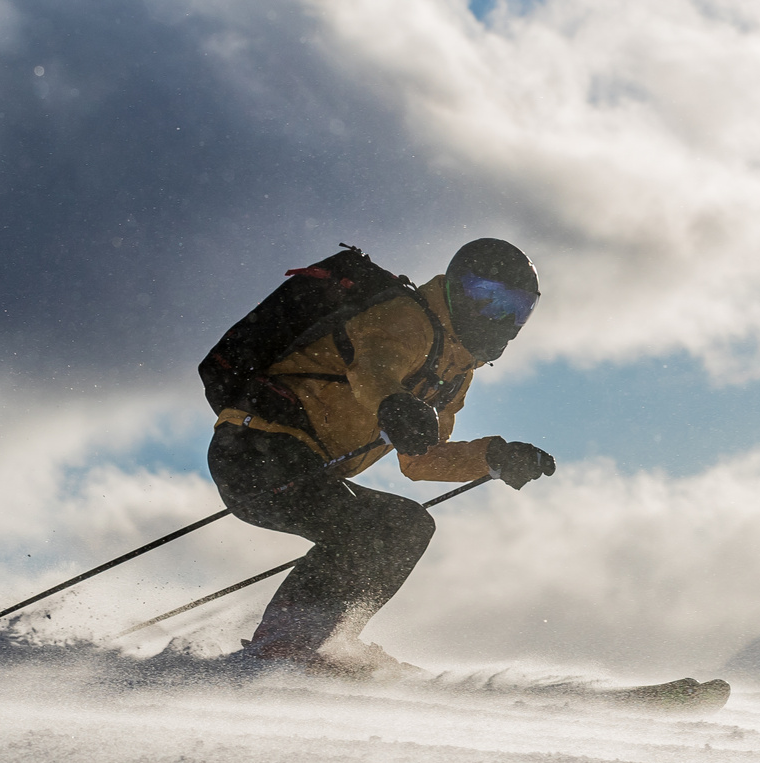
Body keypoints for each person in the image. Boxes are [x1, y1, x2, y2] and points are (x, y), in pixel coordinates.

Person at [205, 238, 555, 673]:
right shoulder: (407, 319)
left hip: (299, 464)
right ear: (457, 291)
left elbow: (421, 459)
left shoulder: (453, 370)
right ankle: (285, 645)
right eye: (488, 300)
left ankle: (323, 641)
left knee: (407, 526)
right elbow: (373, 369)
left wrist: (494, 458)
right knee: (364, 531)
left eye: (516, 309)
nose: (500, 320)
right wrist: (392, 402)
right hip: (255, 450)